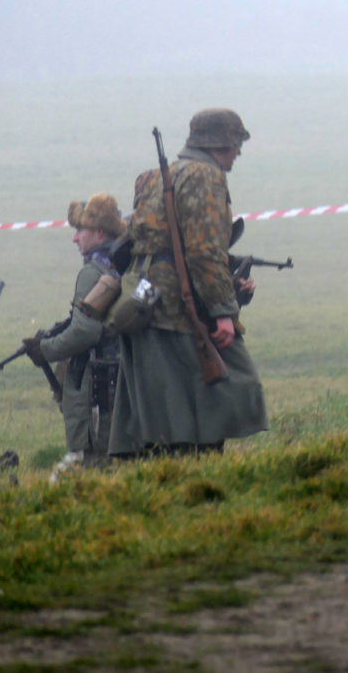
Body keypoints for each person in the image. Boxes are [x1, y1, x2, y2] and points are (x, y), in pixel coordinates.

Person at [108, 108, 267, 458]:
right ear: (222, 142)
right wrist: (224, 311)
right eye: (236, 144)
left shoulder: (151, 177)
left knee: (165, 405)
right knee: (224, 388)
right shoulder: (205, 176)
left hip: (144, 300)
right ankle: (196, 471)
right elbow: (204, 251)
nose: (238, 152)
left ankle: (176, 470)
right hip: (181, 307)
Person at [23, 194, 125, 479]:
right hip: (118, 379)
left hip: (98, 384)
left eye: (81, 231)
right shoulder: (118, 264)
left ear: (100, 233)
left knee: (89, 464)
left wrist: (46, 349)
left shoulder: (92, 273)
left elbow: (85, 331)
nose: (75, 239)